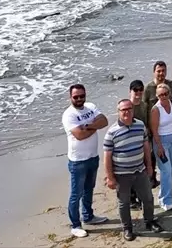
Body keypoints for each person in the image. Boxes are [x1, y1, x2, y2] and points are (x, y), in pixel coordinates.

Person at [103, 99, 163, 241]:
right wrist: (110, 177)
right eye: (123, 110)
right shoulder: (112, 132)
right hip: (122, 174)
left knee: (148, 198)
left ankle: (149, 221)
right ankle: (127, 228)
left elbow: (146, 147)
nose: (127, 112)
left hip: (140, 170)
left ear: (133, 110)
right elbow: (107, 157)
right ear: (118, 112)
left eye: (129, 109)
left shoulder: (140, 125)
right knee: (124, 203)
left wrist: (149, 166)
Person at [62, 84, 109, 238]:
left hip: (93, 156)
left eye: (82, 96)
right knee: (76, 194)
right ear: (70, 97)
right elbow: (80, 135)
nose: (79, 99)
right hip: (78, 161)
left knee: (89, 189)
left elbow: (104, 121)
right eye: (76, 97)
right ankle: (75, 225)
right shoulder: (68, 115)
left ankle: (88, 216)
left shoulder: (90, 107)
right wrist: (94, 126)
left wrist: (88, 126)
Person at [147, 82, 172, 211]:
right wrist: (159, 147)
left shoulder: (170, 102)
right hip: (161, 140)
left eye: (165, 94)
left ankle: (167, 194)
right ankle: (165, 200)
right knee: (165, 170)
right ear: (157, 96)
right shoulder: (156, 109)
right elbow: (154, 130)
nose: (164, 97)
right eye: (161, 95)